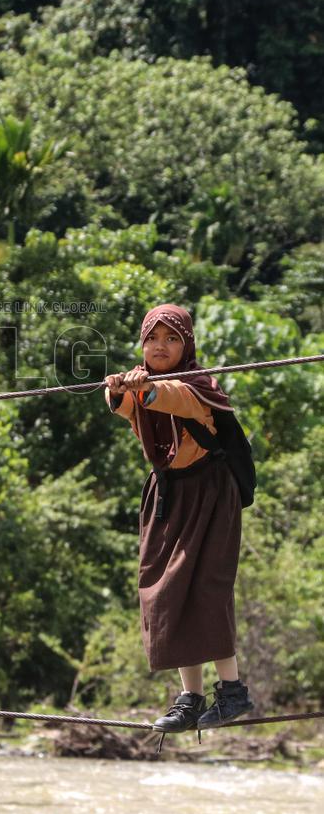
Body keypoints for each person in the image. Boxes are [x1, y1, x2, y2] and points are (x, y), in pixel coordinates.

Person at [104, 303, 254, 735]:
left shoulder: (198, 383)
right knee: (166, 592)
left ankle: (232, 691)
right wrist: (117, 388)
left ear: (186, 344)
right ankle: (190, 698)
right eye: (153, 339)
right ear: (141, 344)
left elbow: (174, 398)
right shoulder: (137, 381)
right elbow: (120, 404)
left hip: (210, 490)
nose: (161, 347)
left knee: (207, 587)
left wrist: (143, 389)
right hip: (168, 493)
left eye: (172, 339)